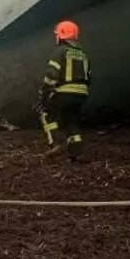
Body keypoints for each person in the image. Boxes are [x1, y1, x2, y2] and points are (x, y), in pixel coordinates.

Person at [38, 20, 90, 162]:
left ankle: (54, 145)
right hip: (81, 95)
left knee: (46, 113)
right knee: (71, 120)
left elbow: (51, 74)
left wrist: (44, 93)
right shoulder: (83, 54)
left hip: (64, 92)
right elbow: (89, 76)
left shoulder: (60, 51)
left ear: (61, 35)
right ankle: (76, 153)